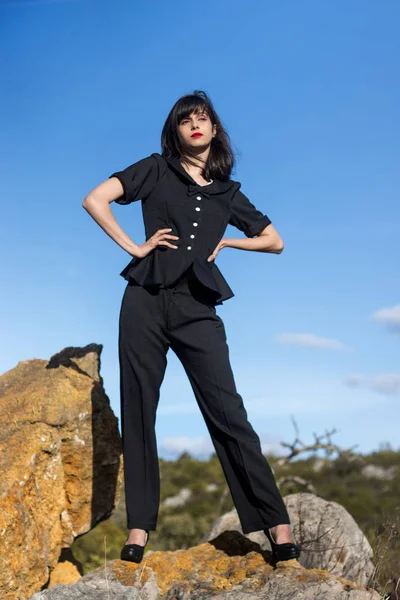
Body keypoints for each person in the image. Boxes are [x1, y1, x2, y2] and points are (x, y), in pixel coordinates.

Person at [82, 90, 300, 565]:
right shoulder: (155, 169)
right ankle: (138, 533)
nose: (195, 125)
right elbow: (95, 199)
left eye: (203, 118)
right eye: (186, 120)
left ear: (214, 130)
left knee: (229, 414)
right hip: (144, 301)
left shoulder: (228, 192)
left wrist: (231, 242)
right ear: (175, 131)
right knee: (139, 412)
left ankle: (276, 523)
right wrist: (134, 248)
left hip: (199, 307)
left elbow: (275, 241)